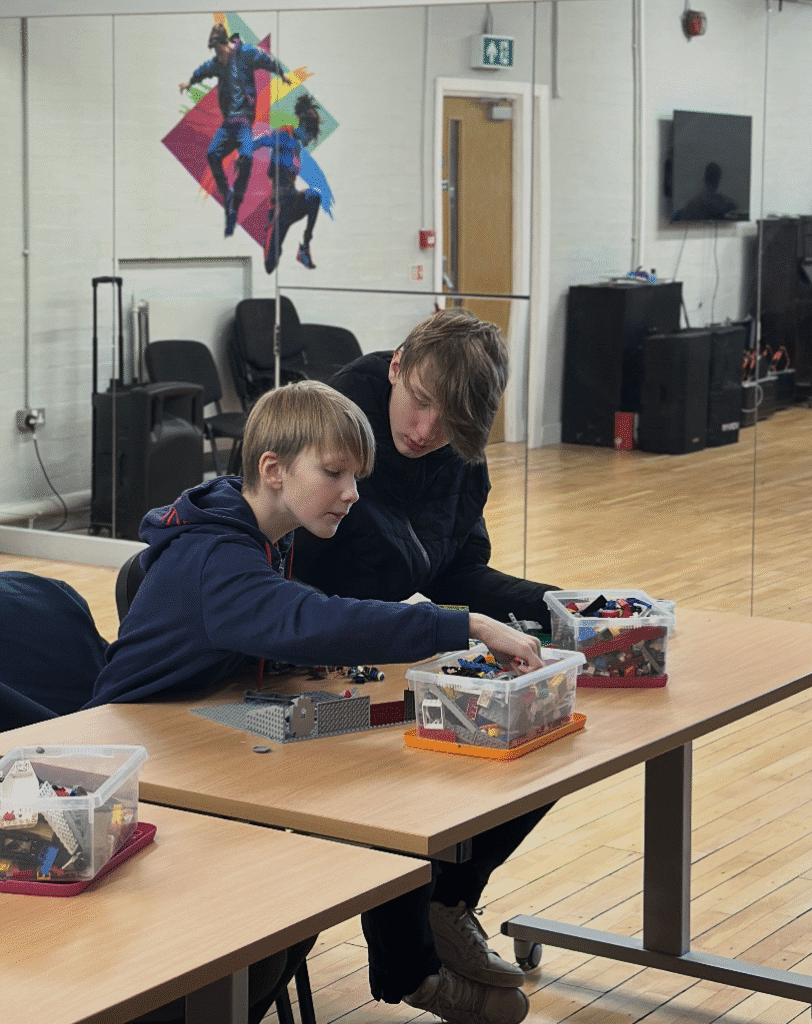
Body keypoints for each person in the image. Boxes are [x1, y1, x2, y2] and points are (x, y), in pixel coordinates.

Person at [88, 379, 541, 1024]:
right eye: (334, 473)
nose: (352, 494)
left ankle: (422, 947)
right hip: (148, 768)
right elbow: (307, 617)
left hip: (204, 732)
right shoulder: (218, 553)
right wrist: (466, 624)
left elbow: (277, 629)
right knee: (369, 794)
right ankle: (411, 969)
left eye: (355, 477)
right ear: (271, 471)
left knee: (387, 756)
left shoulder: (261, 530)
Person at [292, 308, 562, 1018]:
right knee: (403, 760)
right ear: (397, 366)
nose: (423, 432)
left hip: (403, 645)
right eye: (419, 404)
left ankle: (450, 901)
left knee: (537, 730)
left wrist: (555, 604)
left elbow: (457, 571)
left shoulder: (455, 453)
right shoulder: (325, 435)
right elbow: (291, 598)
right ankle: (409, 968)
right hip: (308, 663)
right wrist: (453, 623)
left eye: (446, 424)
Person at [179, 23, 291, 237]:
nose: (216, 55)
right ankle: (227, 194)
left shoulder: (245, 53)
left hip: (244, 122)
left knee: (246, 158)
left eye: (217, 50)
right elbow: (204, 70)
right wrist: (190, 82)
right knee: (212, 154)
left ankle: (236, 202)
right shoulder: (218, 63)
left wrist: (281, 73)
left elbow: (266, 60)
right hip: (228, 123)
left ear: (225, 44)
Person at [254, 93, 323, 273]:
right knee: (270, 267)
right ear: (304, 128)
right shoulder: (284, 134)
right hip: (278, 207)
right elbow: (260, 141)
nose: (309, 142)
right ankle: (269, 237)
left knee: (314, 196)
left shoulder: (297, 146)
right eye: (310, 136)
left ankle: (304, 248)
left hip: (291, 201)